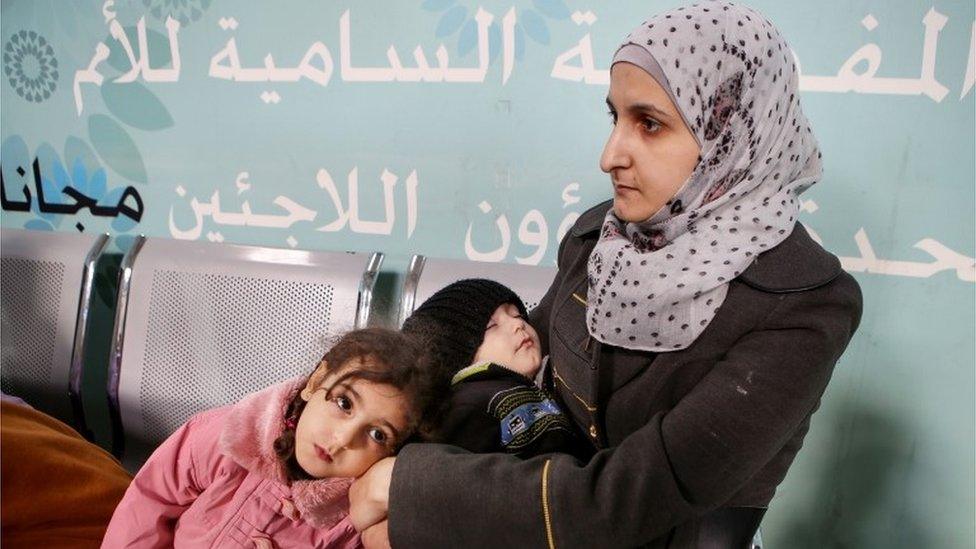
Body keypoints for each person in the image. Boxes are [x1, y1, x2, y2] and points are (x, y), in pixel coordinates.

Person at [348, 2, 863, 548]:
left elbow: (636, 495)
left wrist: (411, 489)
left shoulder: (806, 305)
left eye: (650, 123)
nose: (610, 155)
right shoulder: (604, 235)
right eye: (614, 117)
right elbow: (526, 364)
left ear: (731, 132)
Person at [102, 328, 441, 548]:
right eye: (343, 403)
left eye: (377, 434)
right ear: (315, 382)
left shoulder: (356, 523)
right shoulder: (229, 436)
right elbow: (149, 502)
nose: (342, 439)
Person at [401, 278, 587, 459]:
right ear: (458, 356)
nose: (518, 324)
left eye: (517, 315)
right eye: (492, 326)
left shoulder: (544, 383)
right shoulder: (468, 407)